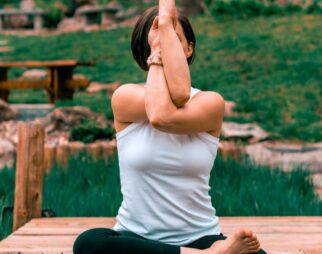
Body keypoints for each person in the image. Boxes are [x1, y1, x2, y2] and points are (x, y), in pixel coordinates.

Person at [73, 0, 267, 253]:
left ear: (188, 48)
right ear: (147, 53)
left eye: (173, 40)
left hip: (200, 237)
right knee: (89, 244)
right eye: (157, 41)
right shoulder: (125, 97)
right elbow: (159, 114)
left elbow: (175, 102)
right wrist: (162, 39)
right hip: (137, 239)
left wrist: (164, 24)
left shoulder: (210, 103)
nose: (165, 45)